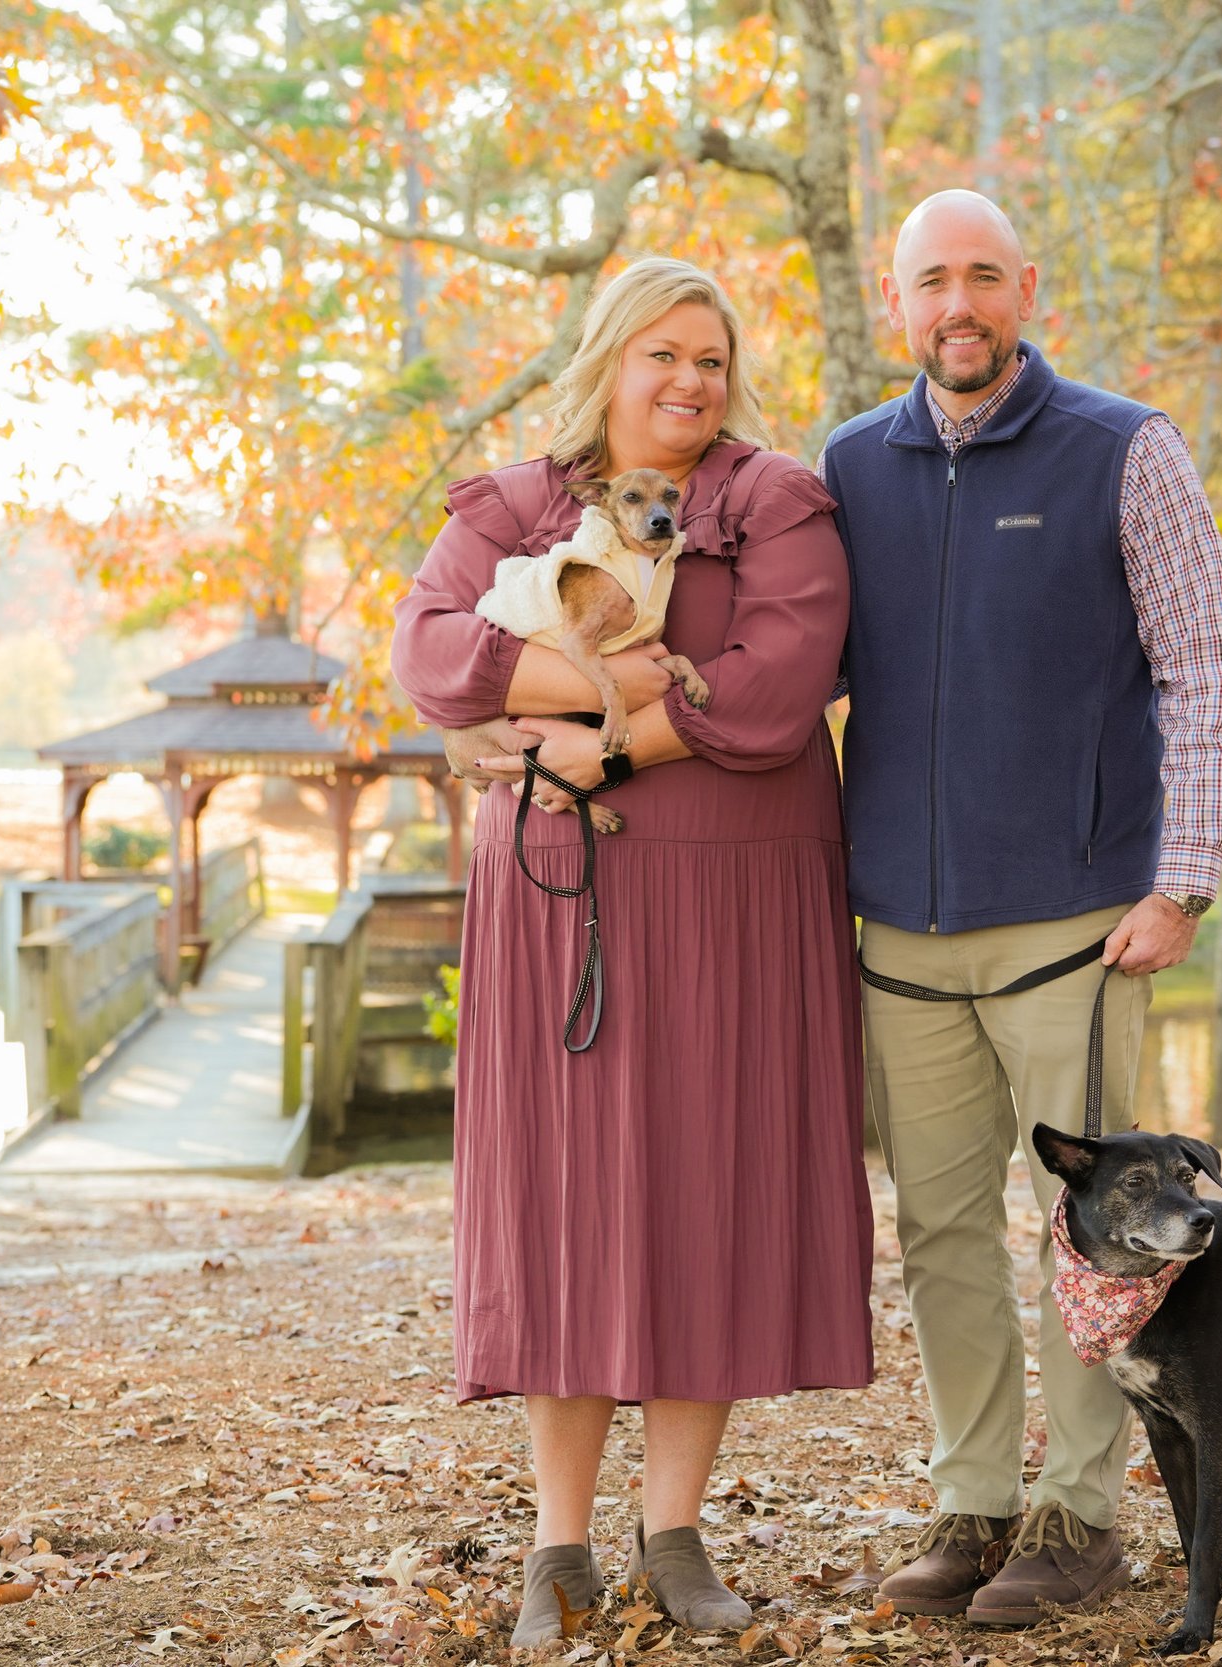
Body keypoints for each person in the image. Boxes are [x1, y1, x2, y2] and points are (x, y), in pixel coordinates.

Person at [391, 257, 874, 1647]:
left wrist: (600, 750)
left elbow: (779, 687)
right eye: (662, 354)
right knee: (571, 1206)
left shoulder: (773, 500)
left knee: (700, 1194)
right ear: (608, 358)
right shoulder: (515, 503)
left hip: (736, 902)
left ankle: (675, 1532)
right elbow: (430, 654)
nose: (687, 381)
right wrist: (593, 687)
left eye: (710, 359)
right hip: (557, 902)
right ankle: (558, 1550)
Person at [819, 190, 1222, 1626]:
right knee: (938, 1230)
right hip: (900, 936)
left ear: (1027, 289)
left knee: (1090, 1234)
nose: (961, 304)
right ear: (900, 305)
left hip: (1077, 925)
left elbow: (1206, 671)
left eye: (985, 277)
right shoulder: (847, 469)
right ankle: (974, 1504)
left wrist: (1182, 883)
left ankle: (1079, 1515)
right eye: (933, 280)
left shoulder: (1123, 448)